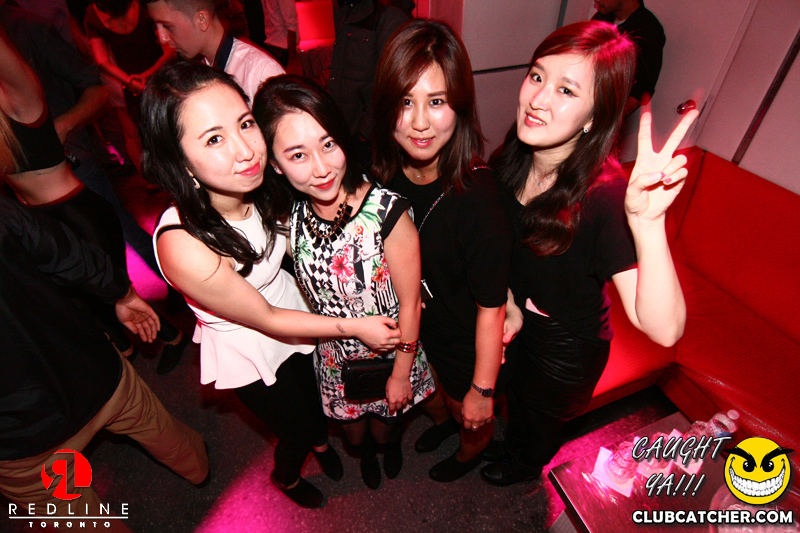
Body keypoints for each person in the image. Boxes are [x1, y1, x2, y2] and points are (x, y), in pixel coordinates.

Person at [141, 60, 401, 507]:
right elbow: (265, 318)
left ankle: (322, 445)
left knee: (316, 403)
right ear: (179, 162)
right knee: (294, 429)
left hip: (294, 310)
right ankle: (288, 477)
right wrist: (356, 326)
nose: (246, 151)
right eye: (214, 139)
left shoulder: (261, 186)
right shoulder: (183, 244)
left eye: (245, 124)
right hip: (251, 340)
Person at [479, 20, 698, 486]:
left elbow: (664, 330)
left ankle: (524, 469)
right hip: (516, 320)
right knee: (513, 400)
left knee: (539, 423)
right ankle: (512, 444)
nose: (538, 99)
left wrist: (648, 224)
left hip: (565, 345)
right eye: (537, 76)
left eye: (566, 90)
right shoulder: (513, 156)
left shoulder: (604, 196)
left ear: (594, 117)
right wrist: (507, 300)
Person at [253, 74, 435, 490]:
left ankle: (389, 448)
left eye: (328, 144)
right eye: (297, 155)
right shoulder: (289, 219)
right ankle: (367, 454)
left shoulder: (387, 213)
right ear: (275, 164)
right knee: (354, 436)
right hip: (335, 358)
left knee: (387, 427)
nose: (321, 169)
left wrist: (401, 374)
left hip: (394, 353)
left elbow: (410, 303)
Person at [0, 194, 209, 531]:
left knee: (75, 515)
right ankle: (199, 470)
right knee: (157, 428)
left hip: (20, 436)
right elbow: (65, 251)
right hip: (90, 369)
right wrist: (121, 293)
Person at [0, 26, 188, 374]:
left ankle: (173, 338)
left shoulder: (22, 103)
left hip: (79, 215)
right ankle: (129, 358)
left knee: (110, 292)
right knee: (91, 304)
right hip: (44, 224)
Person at [372, 19, 512, 482]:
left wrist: (482, 390)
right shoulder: (384, 174)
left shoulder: (477, 197)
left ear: (461, 105)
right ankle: (447, 426)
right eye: (405, 102)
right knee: (434, 401)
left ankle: (467, 455)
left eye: (436, 102)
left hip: (462, 342)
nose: (419, 122)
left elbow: (492, 309)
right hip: (416, 331)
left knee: (466, 413)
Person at [146, 0, 284, 102]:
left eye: (167, 26)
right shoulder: (204, 67)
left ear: (202, 20)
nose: (162, 38)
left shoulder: (259, 72)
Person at [328, 0, 409, 171]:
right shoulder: (349, 8)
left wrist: (365, 133)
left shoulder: (389, 14)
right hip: (345, 127)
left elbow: (390, 83)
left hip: (368, 137)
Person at [592, 0, 665, 116]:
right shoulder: (601, 18)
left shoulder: (648, 31)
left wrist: (608, 120)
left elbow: (641, 91)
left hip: (605, 113)